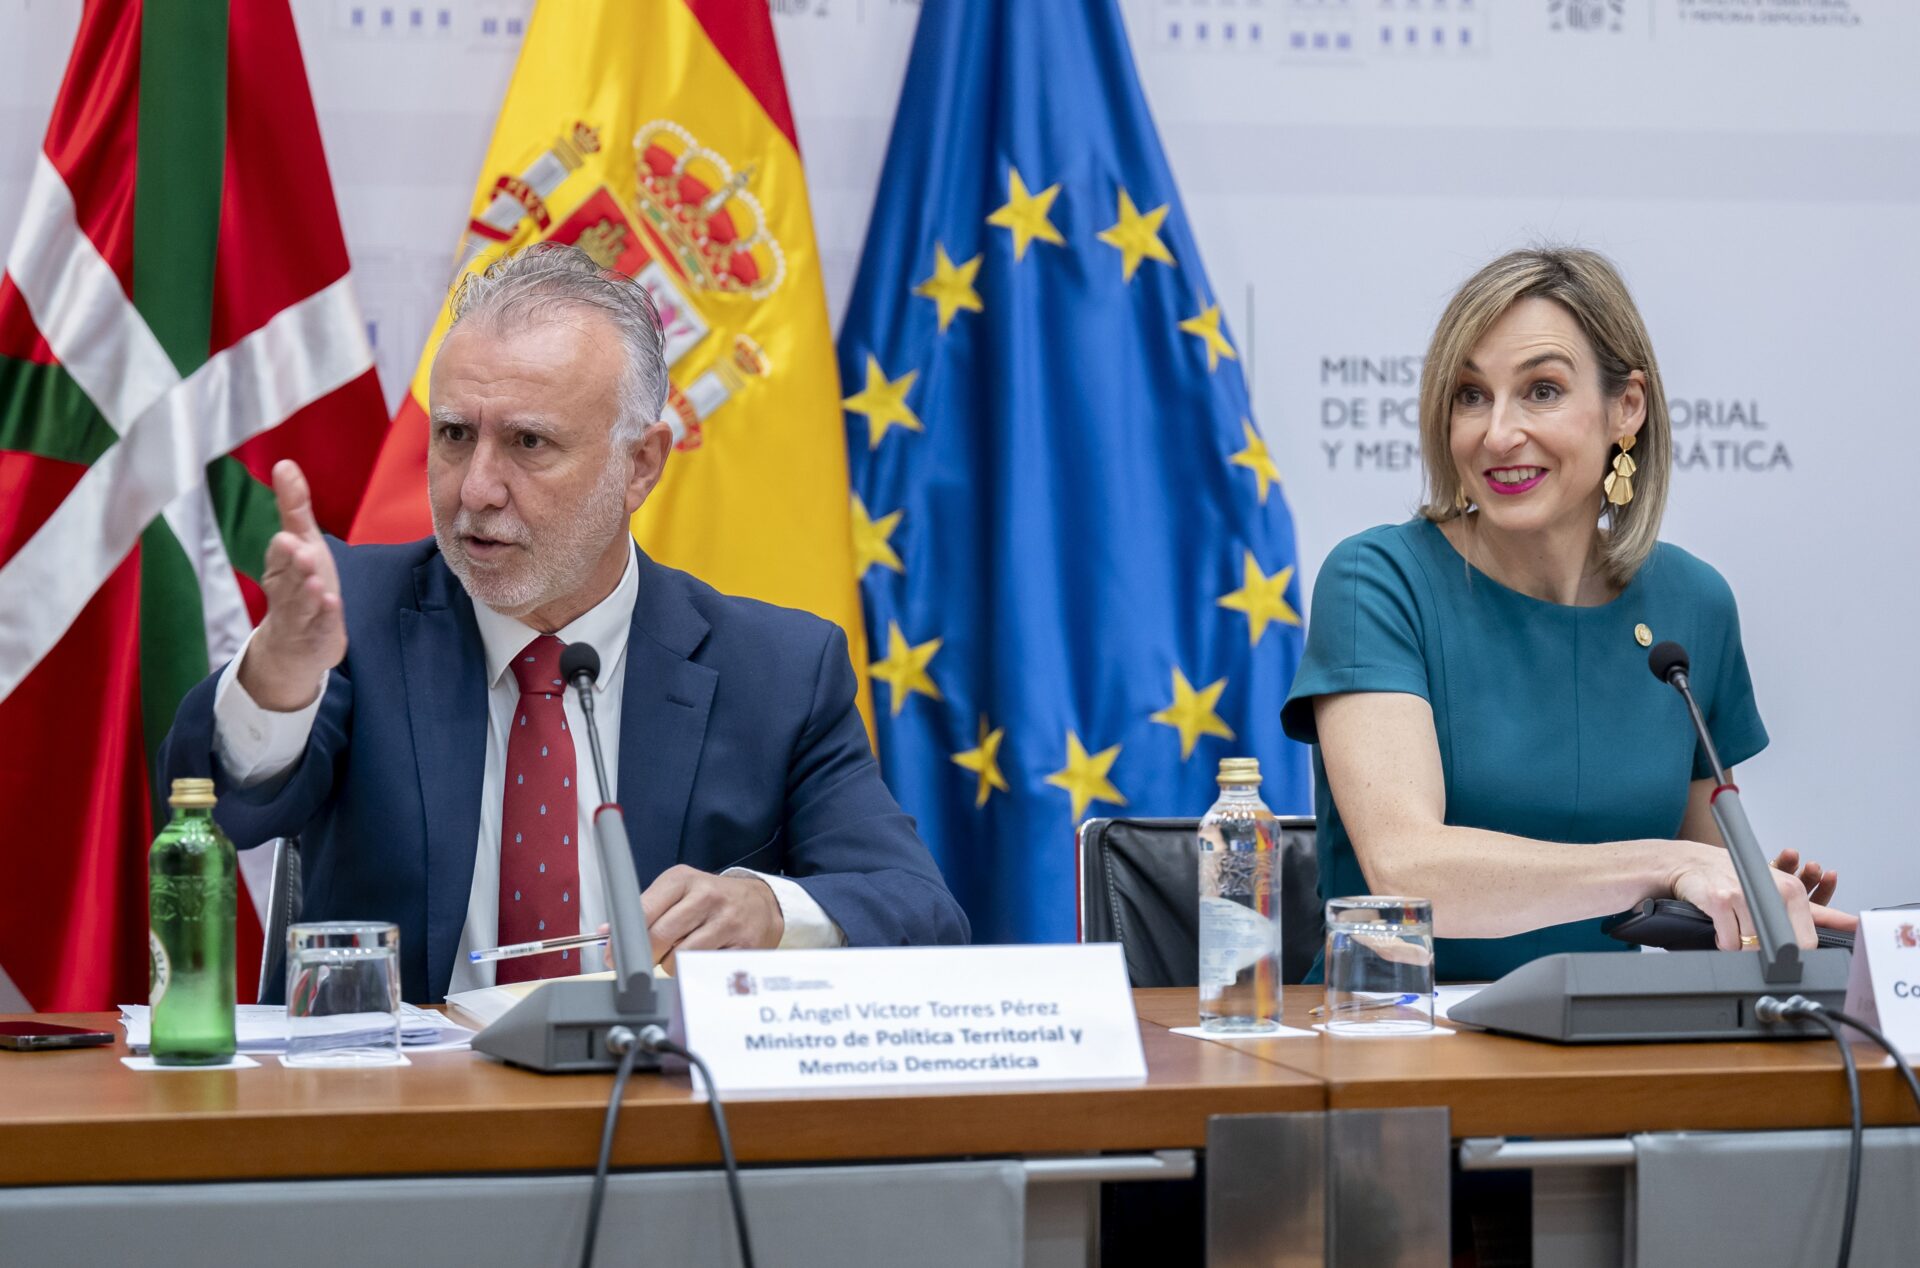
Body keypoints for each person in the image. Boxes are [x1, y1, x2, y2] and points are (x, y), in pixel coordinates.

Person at [161, 244, 968, 1003]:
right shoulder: (359, 615)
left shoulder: (776, 671)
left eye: (528, 442)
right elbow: (217, 804)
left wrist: (767, 908)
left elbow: (917, 911)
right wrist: (279, 672)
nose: (476, 489)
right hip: (402, 1095)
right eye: (455, 435)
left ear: (640, 465)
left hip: (651, 1095)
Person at [1280, 247, 1853, 983]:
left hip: (1600, 1028)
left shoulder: (1692, 604)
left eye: (1542, 391)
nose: (1497, 433)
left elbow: (1701, 875)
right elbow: (1408, 870)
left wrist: (1759, 913)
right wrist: (1667, 864)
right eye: (1470, 395)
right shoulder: (1378, 579)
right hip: (1395, 1028)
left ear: (1627, 407)